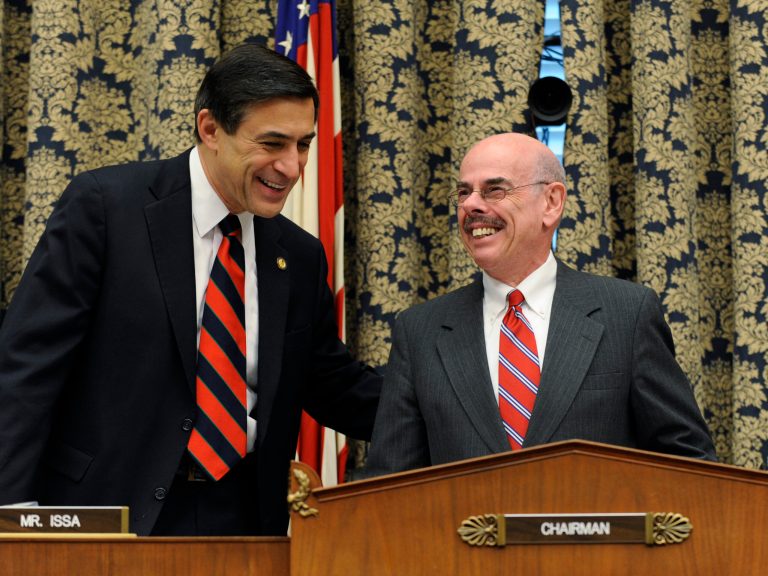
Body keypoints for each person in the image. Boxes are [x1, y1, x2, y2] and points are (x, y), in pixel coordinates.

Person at [0, 43, 381, 536]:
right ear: (210, 129)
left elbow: (335, 385)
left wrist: (467, 399)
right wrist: (14, 518)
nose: (292, 167)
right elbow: (27, 371)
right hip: (109, 511)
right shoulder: (105, 209)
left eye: (303, 144)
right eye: (271, 144)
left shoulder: (299, 254)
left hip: (242, 519)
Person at [366, 132, 715, 475]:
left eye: (494, 190)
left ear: (551, 202)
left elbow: (688, 465)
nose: (470, 205)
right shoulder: (419, 331)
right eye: (463, 193)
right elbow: (388, 486)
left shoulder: (627, 314)